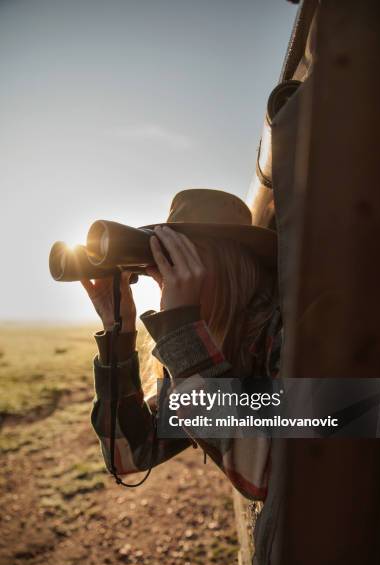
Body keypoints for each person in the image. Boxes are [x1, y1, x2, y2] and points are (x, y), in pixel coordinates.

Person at [82, 188, 282, 501]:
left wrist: (181, 331)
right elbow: (130, 453)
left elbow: (266, 473)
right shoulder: (217, 343)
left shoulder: (285, 333)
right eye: (162, 269)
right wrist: (117, 332)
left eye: (175, 264)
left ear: (221, 263)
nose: (166, 282)